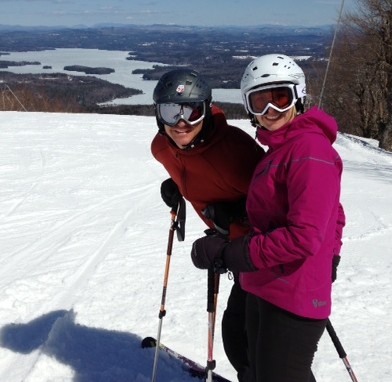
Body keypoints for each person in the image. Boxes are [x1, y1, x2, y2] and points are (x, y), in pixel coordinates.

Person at [190, 54, 346, 382]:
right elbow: (335, 212)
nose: (270, 111)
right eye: (259, 102)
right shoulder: (281, 149)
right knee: (244, 353)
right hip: (266, 283)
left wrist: (234, 252)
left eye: (280, 98)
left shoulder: (308, 151)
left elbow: (304, 235)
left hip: (294, 294)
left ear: (298, 97)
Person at [150, 68, 264, 381]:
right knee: (237, 336)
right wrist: (177, 187)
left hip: (264, 255)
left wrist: (238, 214)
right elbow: (195, 170)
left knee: (267, 345)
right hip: (235, 253)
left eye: (192, 111)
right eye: (171, 112)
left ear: (207, 110)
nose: (181, 122)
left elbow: (282, 206)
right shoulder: (162, 148)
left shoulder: (236, 152)